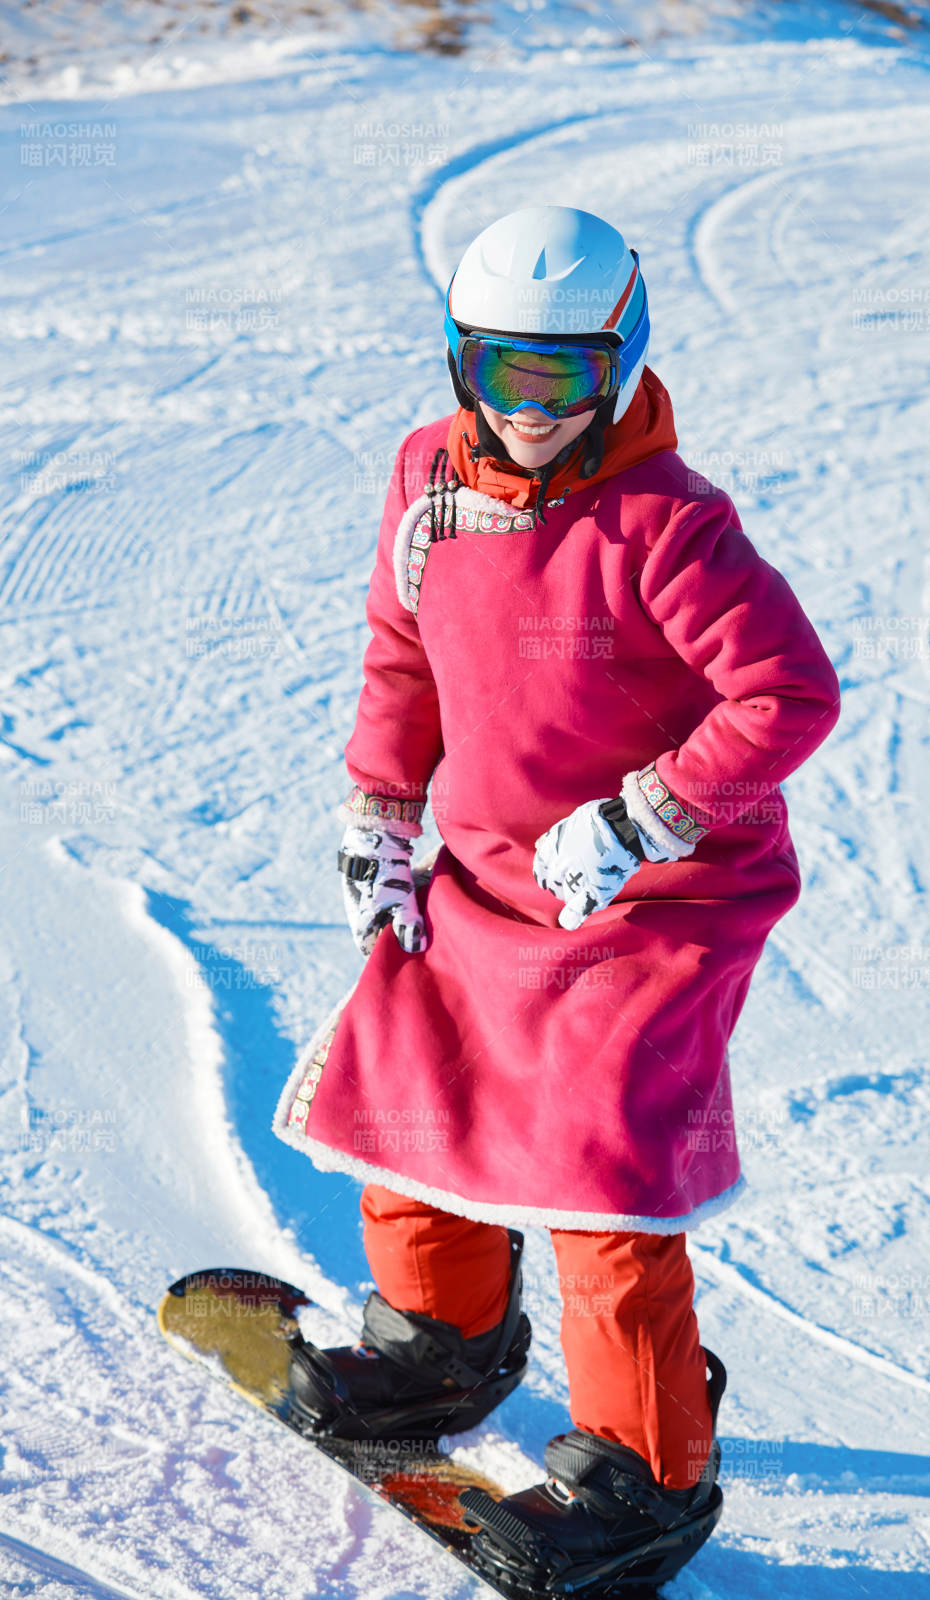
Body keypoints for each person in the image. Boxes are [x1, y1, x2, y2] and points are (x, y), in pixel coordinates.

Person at [273, 205, 841, 1590]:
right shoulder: (429, 481)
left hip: (659, 900)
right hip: (480, 865)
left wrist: (647, 814)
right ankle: (438, 1342)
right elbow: (403, 658)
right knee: (408, 1091)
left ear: (621, 361)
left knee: (601, 1172)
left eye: (564, 378)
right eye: (498, 372)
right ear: (461, 361)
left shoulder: (668, 525)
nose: (529, 410)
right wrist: (381, 815)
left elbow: (789, 694)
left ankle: (648, 1473)